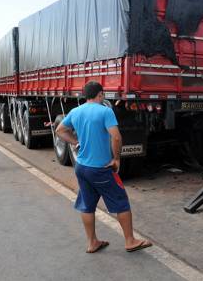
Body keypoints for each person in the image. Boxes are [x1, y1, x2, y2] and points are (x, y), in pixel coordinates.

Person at [56, 81, 152, 253]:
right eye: (103, 95)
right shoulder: (105, 111)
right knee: (121, 201)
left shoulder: (75, 112)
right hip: (100, 169)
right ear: (100, 94)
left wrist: (76, 142)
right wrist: (116, 159)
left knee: (87, 204)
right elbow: (116, 137)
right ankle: (130, 241)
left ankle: (92, 242)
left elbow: (60, 130)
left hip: (81, 166)